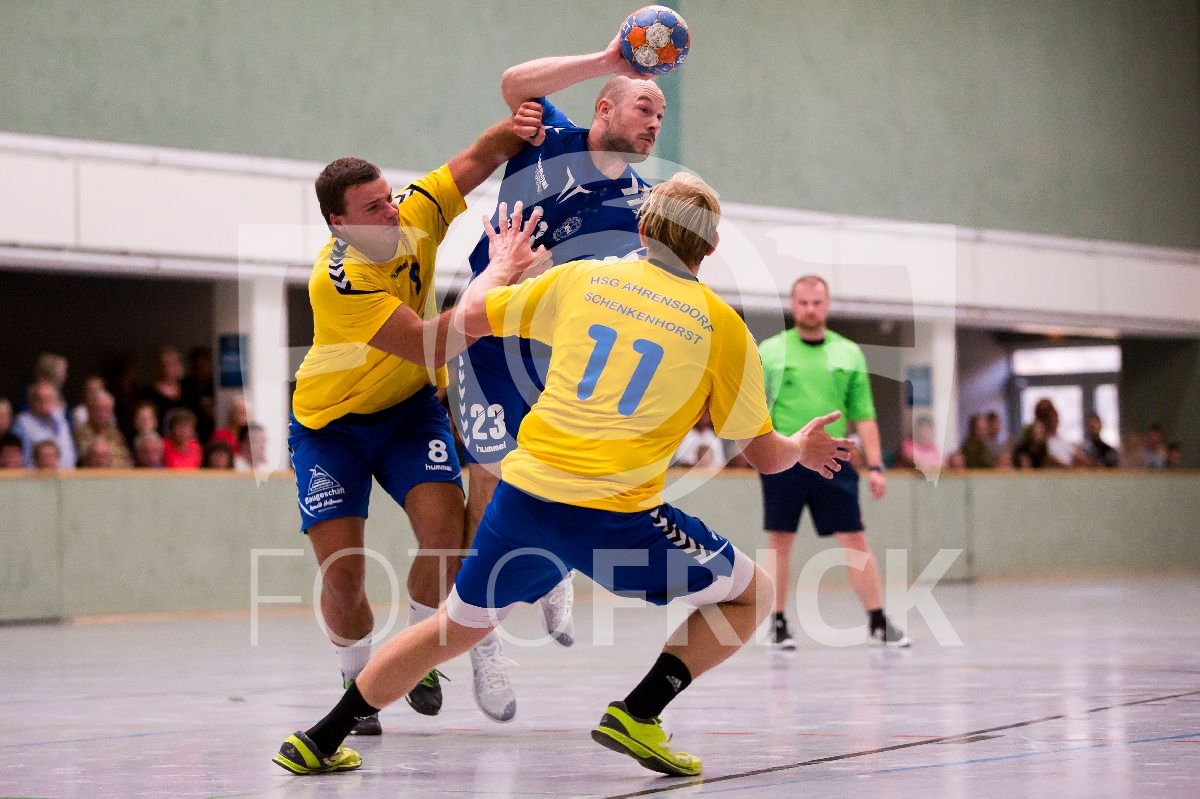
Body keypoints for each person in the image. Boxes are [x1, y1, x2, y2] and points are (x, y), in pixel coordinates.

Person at [273, 175, 853, 779]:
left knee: (453, 629)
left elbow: (474, 317)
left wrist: (501, 266)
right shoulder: (723, 328)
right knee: (752, 593)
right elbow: (764, 455)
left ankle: (320, 738)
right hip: (615, 518)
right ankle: (640, 712)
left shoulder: (584, 279)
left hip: (523, 501)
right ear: (709, 248)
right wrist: (802, 446)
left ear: (642, 227)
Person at [287, 107, 540, 731]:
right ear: (339, 223)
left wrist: (525, 121)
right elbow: (430, 344)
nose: (390, 212)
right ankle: (356, 683)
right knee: (343, 576)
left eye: (387, 197)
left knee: (446, 533)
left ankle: (416, 655)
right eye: (372, 208)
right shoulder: (339, 280)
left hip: (408, 413)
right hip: (330, 428)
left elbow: (479, 156)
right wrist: (500, 278)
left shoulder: (414, 211)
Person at [454, 35, 665, 655]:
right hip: (487, 336)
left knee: (562, 475)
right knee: (488, 480)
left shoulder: (641, 208)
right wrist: (608, 61)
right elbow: (514, 82)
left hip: (556, 352)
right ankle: (481, 635)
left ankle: (555, 572)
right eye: (644, 108)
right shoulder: (548, 136)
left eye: (660, 115)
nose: (654, 123)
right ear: (605, 108)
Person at [757, 275, 909, 649]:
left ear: (827, 305)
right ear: (793, 305)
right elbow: (754, 410)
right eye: (803, 302)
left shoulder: (848, 353)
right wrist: (758, 452)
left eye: (817, 302)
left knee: (855, 538)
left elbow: (864, 414)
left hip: (835, 458)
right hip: (785, 459)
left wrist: (876, 467)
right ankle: (777, 623)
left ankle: (878, 621)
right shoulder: (771, 352)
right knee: (780, 540)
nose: (810, 309)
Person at [12, 380, 76, 470]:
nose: (45, 402)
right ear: (31, 401)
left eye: (49, 398)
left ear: (56, 400)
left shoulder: (61, 419)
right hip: (34, 477)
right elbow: (20, 459)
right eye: (40, 399)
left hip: (66, 475)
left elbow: (71, 452)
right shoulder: (22, 423)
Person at [73, 390, 134, 469]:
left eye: (106, 409)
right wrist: (115, 457)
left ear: (112, 413)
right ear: (89, 410)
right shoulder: (80, 432)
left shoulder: (115, 433)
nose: (102, 413)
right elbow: (90, 460)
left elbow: (127, 459)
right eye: (98, 409)